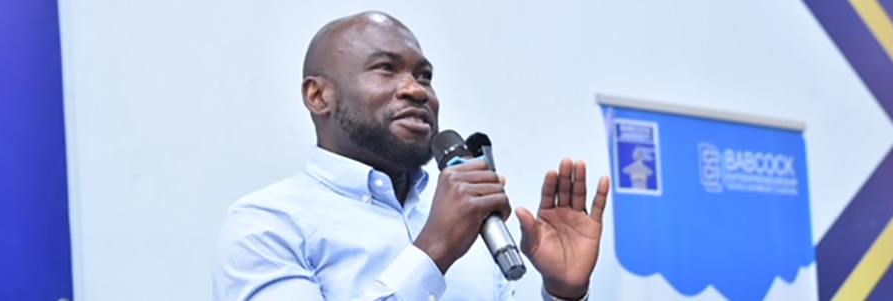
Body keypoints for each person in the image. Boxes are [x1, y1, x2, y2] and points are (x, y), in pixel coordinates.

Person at [213, 11, 611, 301]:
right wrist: (435, 249)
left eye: (424, 76)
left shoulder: (476, 230)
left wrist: (564, 292)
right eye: (386, 69)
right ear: (319, 96)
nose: (417, 91)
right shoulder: (266, 226)